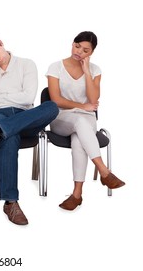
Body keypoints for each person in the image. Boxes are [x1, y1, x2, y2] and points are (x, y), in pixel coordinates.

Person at [0, 33, 59, 225]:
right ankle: (11, 202)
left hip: (24, 117)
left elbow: (28, 98)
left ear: (2, 44)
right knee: (10, 136)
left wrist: (1, 96)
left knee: (51, 107)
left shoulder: (26, 64)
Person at [45, 31, 125, 211]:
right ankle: (104, 171)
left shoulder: (95, 70)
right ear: (72, 43)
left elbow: (93, 97)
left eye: (85, 50)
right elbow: (56, 100)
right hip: (61, 118)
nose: (79, 51)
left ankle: (76, 194)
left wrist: (87, 71)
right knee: (79, 123)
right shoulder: (55, 67)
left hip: (86, 121)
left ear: (91, 52)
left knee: (78, 139)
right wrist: (81, 106)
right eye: (77, 46)